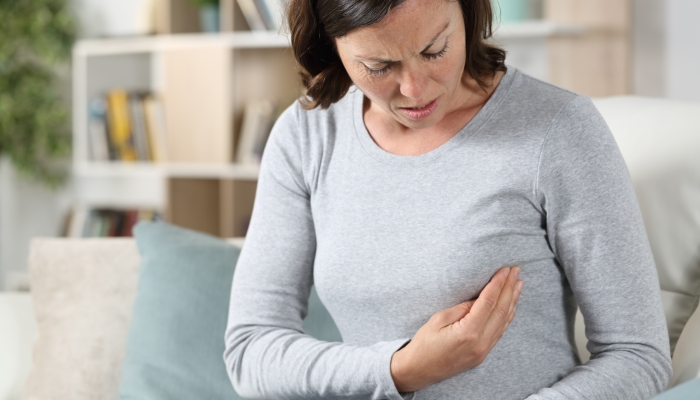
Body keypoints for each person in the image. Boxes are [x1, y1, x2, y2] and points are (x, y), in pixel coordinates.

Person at [224, 0, 672, 398]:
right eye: (379, 66)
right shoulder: (307, 135)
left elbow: (638, 354)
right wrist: (402, 369)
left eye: (435, 49)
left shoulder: (559, 129)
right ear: (331, 46)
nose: (416, 89)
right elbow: (250, 351)